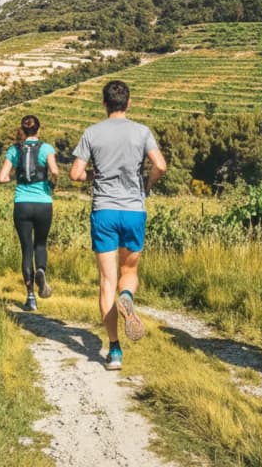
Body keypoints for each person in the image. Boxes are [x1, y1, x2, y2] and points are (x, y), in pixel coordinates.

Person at [70, 80, 166, 371]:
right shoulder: (142, 132)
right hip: (133, 210)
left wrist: (93, 178)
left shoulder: (92, 133)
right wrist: (146, 184)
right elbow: (160, 165)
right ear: (129, 102)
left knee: (106, 281)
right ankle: (127, 298)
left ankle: (114, 351)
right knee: (130, 272)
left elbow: (75, 174)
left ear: (104, 103)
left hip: (104, 212)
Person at [0, 114, 59, 312]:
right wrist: (52, 184)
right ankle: (41, 270)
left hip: (22, 203)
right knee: (40, 244)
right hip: (43, 203)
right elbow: (55, 171)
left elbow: (2, 177)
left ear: (22, 131)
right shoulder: (46, 148)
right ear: (39, 130)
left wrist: (14, 180)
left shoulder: (14, 150)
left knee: (26, 249)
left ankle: (31, 296)